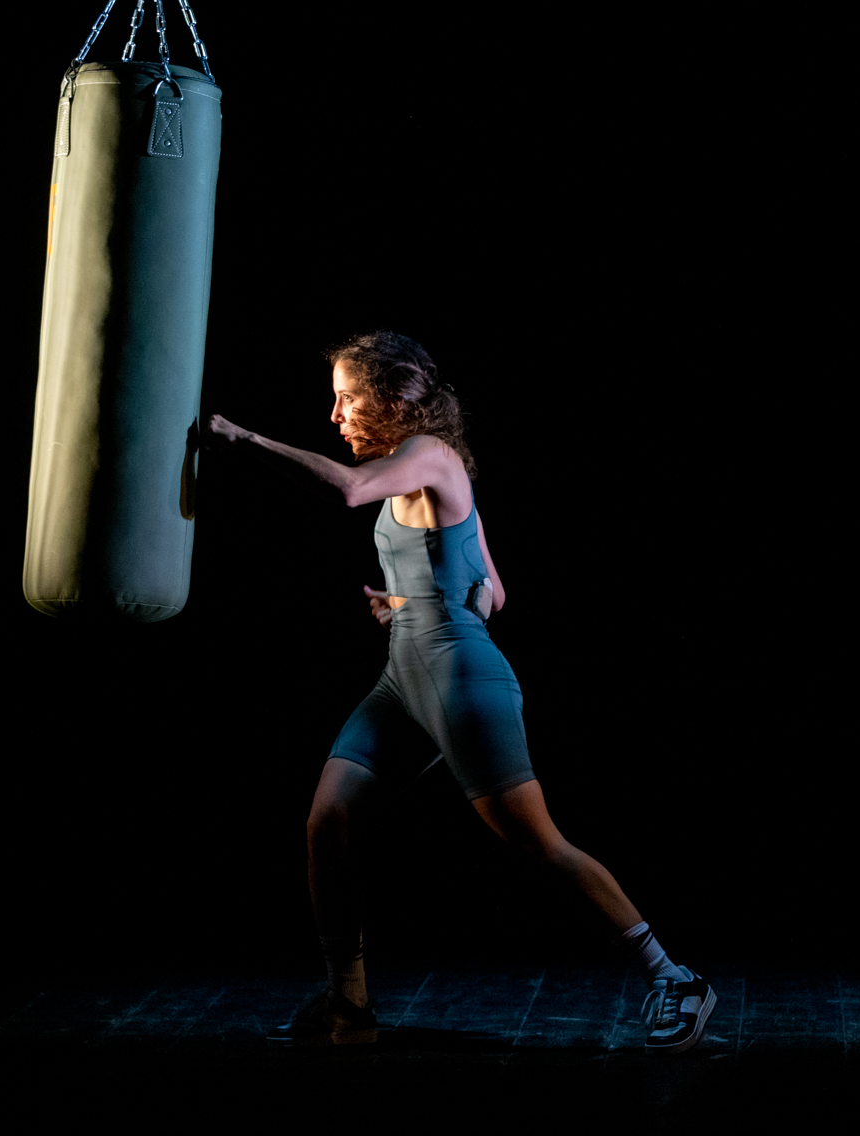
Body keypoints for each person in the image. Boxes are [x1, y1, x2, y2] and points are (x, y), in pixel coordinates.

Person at [195, 331, 713, 1053]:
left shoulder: (431, 458)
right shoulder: (421, 470)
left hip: (463, 680)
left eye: (348, 397)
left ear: (397, 394)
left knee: (538, 844)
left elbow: (347, 492)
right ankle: (350, 1003)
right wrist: (407, 604)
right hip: (401, 678)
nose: (336, 415)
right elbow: (494, 591)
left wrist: (242, 439)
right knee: (328, 824)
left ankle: (674, 977)